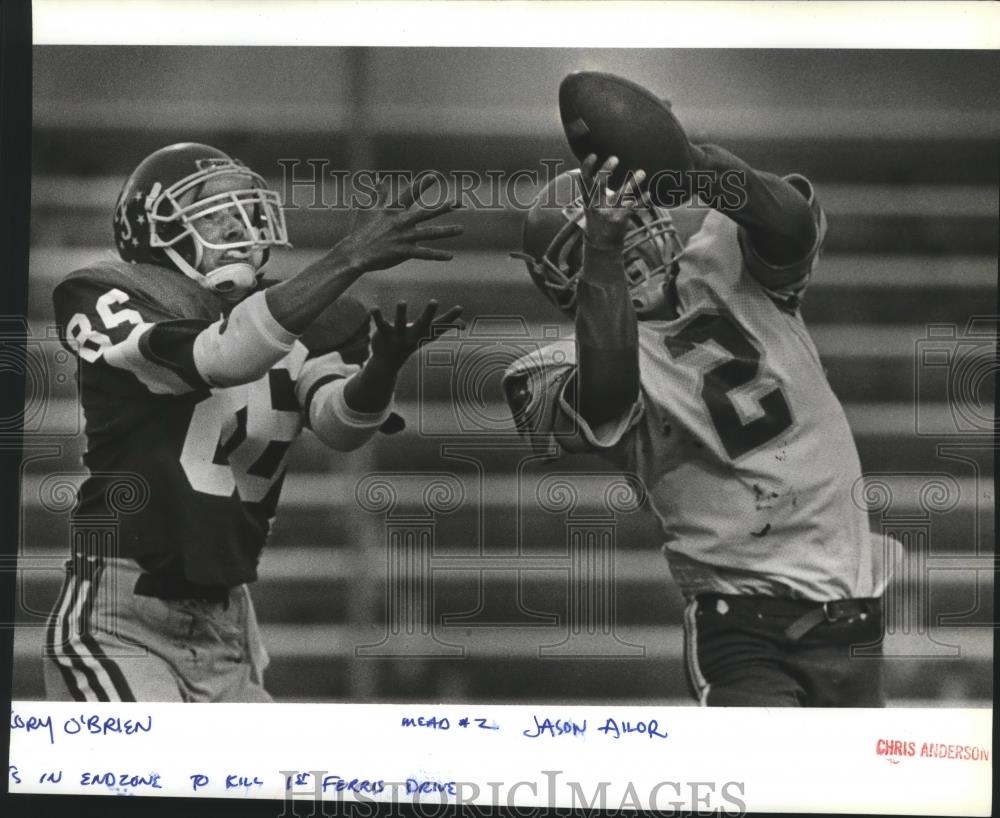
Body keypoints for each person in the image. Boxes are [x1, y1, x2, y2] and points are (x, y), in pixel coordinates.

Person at [45, 142, 463, 702]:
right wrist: (349, 257)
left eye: (240, 208)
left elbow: (339, 422)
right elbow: (223, 355)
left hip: (226, 623)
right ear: (155, 230)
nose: (237, 225)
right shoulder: (108, 294)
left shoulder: (292, 318)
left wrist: (382, 370)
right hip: (123, 620)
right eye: (211, 211)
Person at [504, 135, 897, 706]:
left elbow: (789, 223)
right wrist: (604, 254)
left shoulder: (721, 259)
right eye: (584, 247)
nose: (632, 250)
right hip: (746, 624)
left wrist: (691, 159)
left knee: (850, 797)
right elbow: (606, 394)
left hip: (853, 615)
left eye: (625, 223)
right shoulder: (567, 362)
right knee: (768, 791)